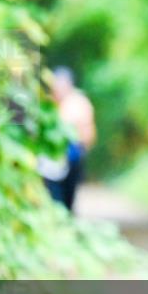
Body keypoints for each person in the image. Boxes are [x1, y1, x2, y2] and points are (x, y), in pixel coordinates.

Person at [39, 66, 96, 212]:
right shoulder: (47, 104)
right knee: (53, 196)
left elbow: (89, 133)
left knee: (69, 197)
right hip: (51, 160)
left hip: (73, 156)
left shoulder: (79, 103)